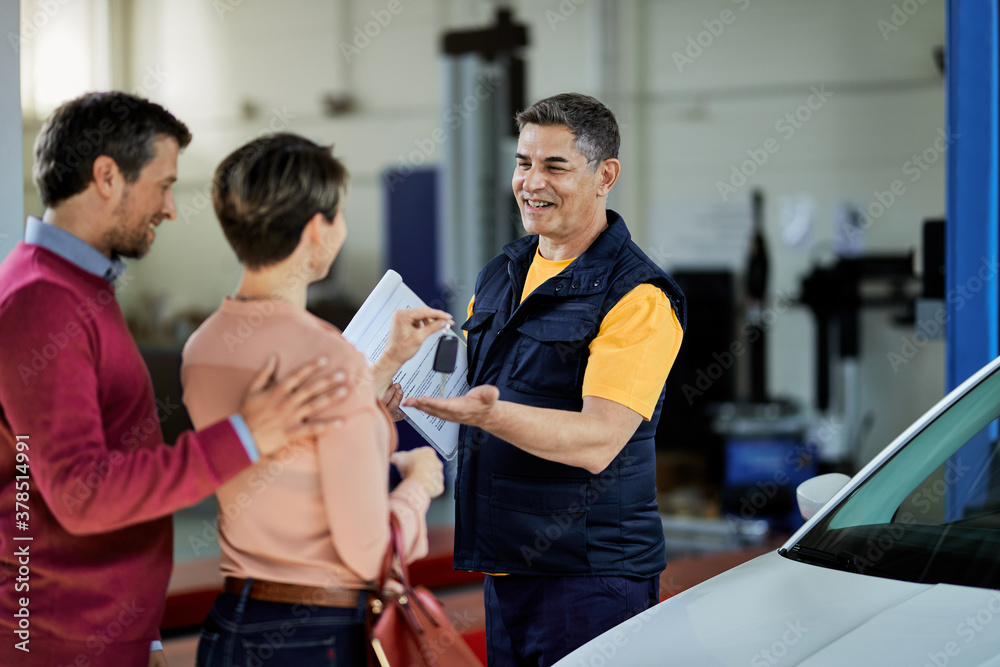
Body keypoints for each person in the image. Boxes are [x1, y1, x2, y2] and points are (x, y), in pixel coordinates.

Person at [0, 93, 347, 667]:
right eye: (163, 186)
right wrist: (244, 436)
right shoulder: (43, 300)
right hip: (56, 639)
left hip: (103, 629)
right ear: (107, 177)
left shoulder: (78, 287)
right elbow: (82, 494)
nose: (170, 208)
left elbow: (108, 464)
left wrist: (144, 628)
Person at [405, 93, 687, 666]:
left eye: (555, 166)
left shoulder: (638, 297)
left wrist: (488, 414)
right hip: (507, 569)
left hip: (592, 579)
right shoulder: (504, 271)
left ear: (605, 175)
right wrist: (409, 394)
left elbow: (599, 440)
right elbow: (468, 386)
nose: (532, 182)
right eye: (523, 162)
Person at [180, 132, 450, 667]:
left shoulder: (203, 348)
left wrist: (386, 364)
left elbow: (291, 447)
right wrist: (420, 486)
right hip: (314, 637)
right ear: (316, 230)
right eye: (340, 214)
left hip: (232, 625)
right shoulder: (328, 358)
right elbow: (371, 550)